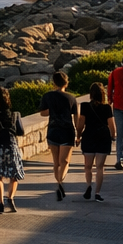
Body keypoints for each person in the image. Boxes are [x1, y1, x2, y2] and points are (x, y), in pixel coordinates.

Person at [0, 87, 26, 212]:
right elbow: (20, 131)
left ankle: (0, 203)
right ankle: (10, 198)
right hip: (11, 146)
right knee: (14, 175)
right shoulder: (15, 114)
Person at [39, 71, 78, 201]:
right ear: (66, 83)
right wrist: (79, 133)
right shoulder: (71, 98)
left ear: (54, 83)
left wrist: (53, 110)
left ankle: (58, 183)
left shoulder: (47, 96)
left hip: (53, 130)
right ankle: (60, 182)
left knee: (56, 162)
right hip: (67, 131)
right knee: (65, 161)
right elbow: (76, 117)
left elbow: (43, 113)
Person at [78, 82, 115, 202]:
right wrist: (113, 136)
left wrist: (78, 136)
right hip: (103, 137)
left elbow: (81, 124)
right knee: (100, 167)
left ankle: (89, 185)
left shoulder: (84, 106)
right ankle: (97, 193)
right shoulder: (107, 108)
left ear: (91, 94)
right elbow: (111, 125)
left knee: (88, 166)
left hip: (89, 136)